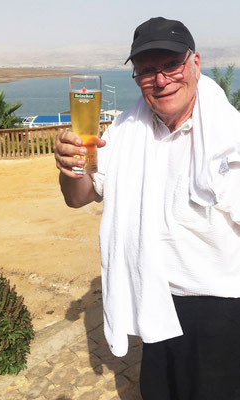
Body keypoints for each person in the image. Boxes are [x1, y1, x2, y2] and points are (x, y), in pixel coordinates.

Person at [54, 17, 240, 400]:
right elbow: (78, 197)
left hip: (222, 307)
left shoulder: (230, 135)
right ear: (137, 76)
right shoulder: (123, 132)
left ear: (195, 63)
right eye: (147, 70)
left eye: (171, 65)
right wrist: (71, 167)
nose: (160, 80)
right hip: (153, 297)